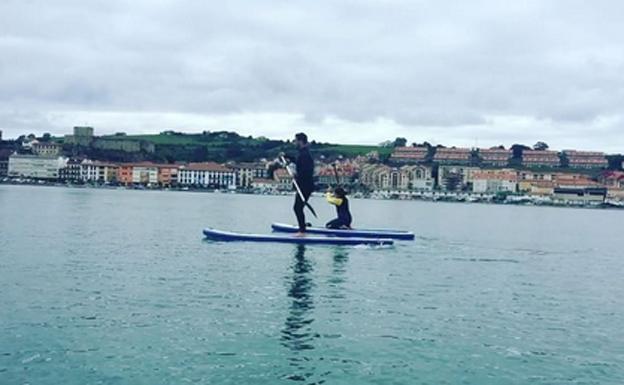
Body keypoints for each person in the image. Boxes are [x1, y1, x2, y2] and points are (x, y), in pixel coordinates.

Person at [284, 133, 315, 235]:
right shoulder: (302, 153)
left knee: (297, 207)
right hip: (303, 185)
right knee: (298, 207)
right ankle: (302, 226)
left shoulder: (305, 154)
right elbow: (297, 161)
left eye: (295, 140)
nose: (294, 142)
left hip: (306, 185)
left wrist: (296, 175)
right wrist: (285, 156)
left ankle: (302, 231)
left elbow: (307, 171)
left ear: (300, 141)